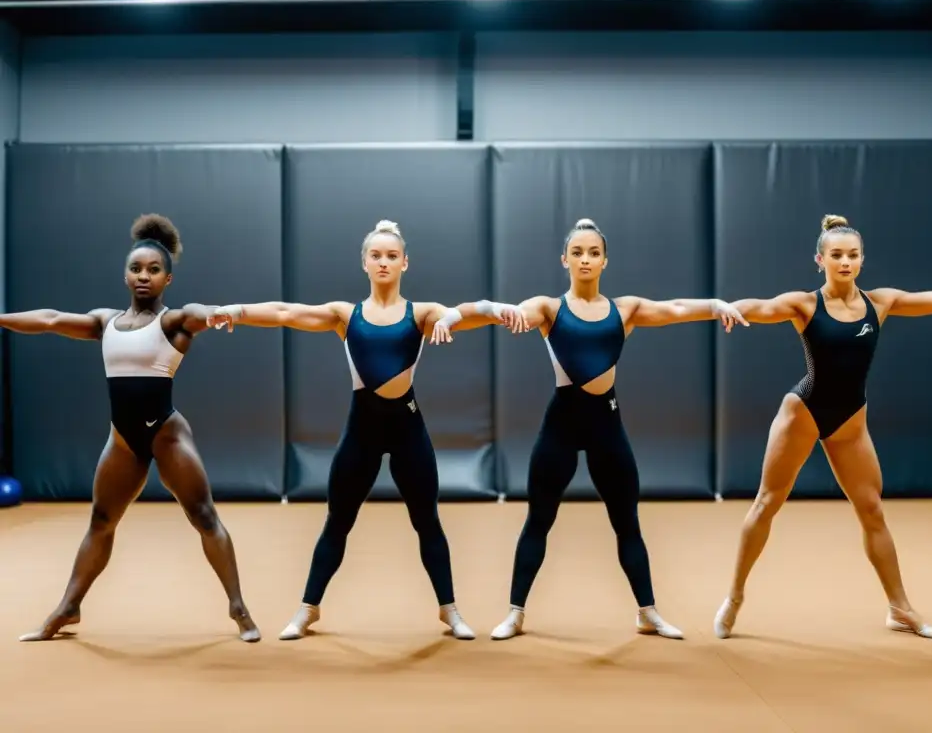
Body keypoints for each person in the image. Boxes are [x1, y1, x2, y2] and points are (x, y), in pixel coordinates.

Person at [208, 219, 527, 641]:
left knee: (427, 521)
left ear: (405, 263)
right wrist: (238, 312)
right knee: (338, 521)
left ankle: (449, 610)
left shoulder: (421, 314)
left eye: (391, 256)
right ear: (364, 263)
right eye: (375, 255)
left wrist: (494, 310)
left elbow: (465, 312)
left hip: (407, 429)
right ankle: (308, 609)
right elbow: (287, 313)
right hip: (362, 430)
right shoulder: (346, 315)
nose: (383, 262)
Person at [713, 213, 932, 641]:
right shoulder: (804, 304)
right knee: (767, 502)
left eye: (852, 255)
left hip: (851, 421)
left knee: (872, 510)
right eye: (836, 255)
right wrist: (728, 308)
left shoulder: (880, 301)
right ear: (819, 259)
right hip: (803, 412)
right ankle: (734, 596)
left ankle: (900, 608)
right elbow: (760, 308)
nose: (845, 261)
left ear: (862, 260)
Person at [5, 214, 261, 643]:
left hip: (167, 434)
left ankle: (238, 607)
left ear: (168, 279)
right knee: (101, 519)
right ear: (125, 275)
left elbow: (196, 314)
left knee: (203, 516)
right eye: (137, 269)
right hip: (123, 440)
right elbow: (50, 319)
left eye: (154, 270)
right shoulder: (106, 322)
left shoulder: (173, 322)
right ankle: (68, 608)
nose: (144, 276)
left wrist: (216, 314)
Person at [489, 218, 747, 641]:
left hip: (607, 426)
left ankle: (647, 612)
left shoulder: (624, 310)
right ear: (565, 260)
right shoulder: (550, 309)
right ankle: (515, 613)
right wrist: (508, 313)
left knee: (627, 523)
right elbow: (521, 312)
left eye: (593, 253)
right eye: (578, 253)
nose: (586, 259)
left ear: (605, 260)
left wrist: (716, 305)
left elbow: (677, 308)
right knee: (539, 519)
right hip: (561, 426)